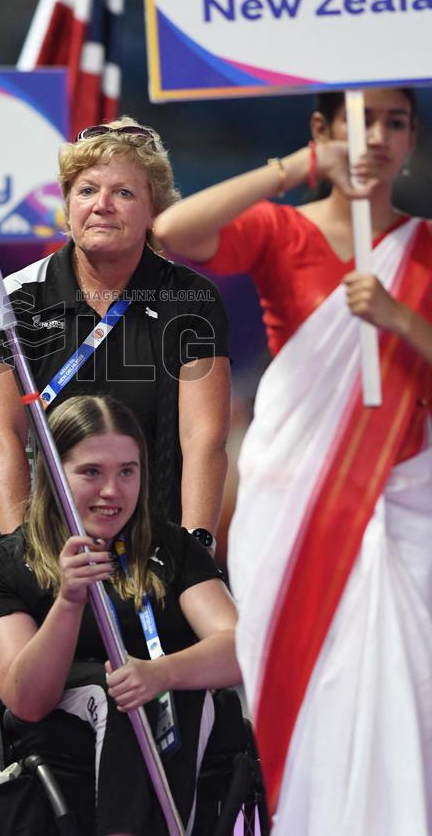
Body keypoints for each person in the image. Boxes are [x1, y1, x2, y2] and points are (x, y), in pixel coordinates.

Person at [154, 87, 432, 835]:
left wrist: (400, 319)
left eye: (395, 124)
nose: (376, 138)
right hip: (295, 500)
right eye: (359, 122)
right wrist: (296, 167)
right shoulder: (281, 230)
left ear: (411, 142)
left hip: (406, 505)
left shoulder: (427, 249)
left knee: (405, 684)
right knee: (301, 681)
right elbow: (175, 230)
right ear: (324, 130)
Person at [0, 394, 240, 836]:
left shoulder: (173, 549)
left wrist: (161, 673)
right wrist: (69, 602)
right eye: (91, 472)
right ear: (53, 475)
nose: (112, 491)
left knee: (182, 693)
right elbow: (26, 698)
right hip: (61, 738)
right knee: (113, 692)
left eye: (127, 472)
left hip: (178, 720)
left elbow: (240, 650)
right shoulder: (4, 566)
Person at [0, 116, 231, 551]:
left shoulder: (191, 298)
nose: (102, 205)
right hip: (40, 545)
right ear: (68, 204)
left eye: (125, 192)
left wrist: (196, 546)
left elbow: (204, 439)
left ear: (155, 211)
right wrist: (20, 553)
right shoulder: (16, 297)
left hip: (154, 547)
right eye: (87, 190)